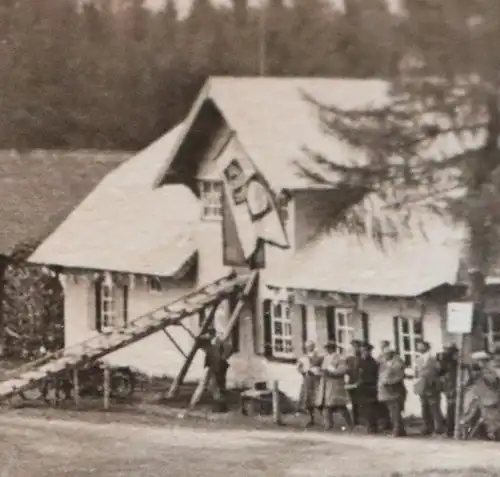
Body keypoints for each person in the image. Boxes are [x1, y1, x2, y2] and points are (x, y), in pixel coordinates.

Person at [315, 341, 353, 431]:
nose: (328, 349)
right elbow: (324, 369)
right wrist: (321, 372)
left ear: (333, 348)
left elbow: (343, 370)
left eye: (330, 348)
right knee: (326, 405)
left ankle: (349, 423)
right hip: (326, 384)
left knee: (340, 405)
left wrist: (332, 373)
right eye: (327, 348)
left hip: (335, 384)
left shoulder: (339, 358)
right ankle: (328, 424)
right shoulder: (326, 358)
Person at [414, 340, 445, 436]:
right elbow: (416, 374)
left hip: (432, 386)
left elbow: (440, 371)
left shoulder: (434, 358)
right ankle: (428, 427)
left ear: (427, 347)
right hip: (422, 386)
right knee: (424, 408)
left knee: (434, 408)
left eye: (421, 346)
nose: (419, 348)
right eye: (418, 346)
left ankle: (438, 428)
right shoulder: (418, 360)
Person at [200, 328, 231, 413]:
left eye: (208, 335)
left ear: (211, 335)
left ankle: (221, 407)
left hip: (219, 367)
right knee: (215, 386)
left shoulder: (218, 342)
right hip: (214, 366)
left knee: (217, 386)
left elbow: (229, 347)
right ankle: (221, 406)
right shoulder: (211, 343)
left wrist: (223, 358)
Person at [378, 347, 407, 437]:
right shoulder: (386, 363)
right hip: (387, 392)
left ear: (391, 354)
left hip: (395, 391)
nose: (384, 356)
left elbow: (399, 377)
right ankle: (399, 430)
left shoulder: (397, 363)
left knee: (395, 412)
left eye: (386, 354)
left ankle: (397, 430)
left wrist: (387, 382)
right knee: (393, 411)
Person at [297, 340, 323, 427]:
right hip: (307, 379)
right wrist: (303, 372)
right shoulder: (303, 358)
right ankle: (311, 418)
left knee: (318, 397)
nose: (309, 348)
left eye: (311, 346)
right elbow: (299, 368)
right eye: (307, 346)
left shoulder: (319, 357)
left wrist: (318, 371)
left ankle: (322, 419)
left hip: (316, 379)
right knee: (307, 398)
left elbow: (323, 367)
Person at [357, 342, 380, 433]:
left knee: (371, 406)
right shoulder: (359, 361)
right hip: (362, 386)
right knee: (364, 406)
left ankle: (372, 426)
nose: (364, 353)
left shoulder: (373, 362)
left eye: (366, 351)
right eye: (363, 351)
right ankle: (367, 424)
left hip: (371, 386)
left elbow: (374, 375)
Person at [438, 343, 459, 437]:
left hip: (452, 388)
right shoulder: (449, 363)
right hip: (451, 388)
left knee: (452, 409)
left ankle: (451, 430)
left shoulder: (453, 363)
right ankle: (451, 430)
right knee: (451, 409)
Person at [375, 341, 393, 431]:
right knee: (382, 403)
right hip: (381, 380)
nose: (383, 347)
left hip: (388, 381)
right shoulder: (379, 356)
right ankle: (384, 423)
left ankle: (390, 422)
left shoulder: (391, 356)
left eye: (384, 346)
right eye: (381, 346)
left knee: (390, 403)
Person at [345, 339, 363, 427]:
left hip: (360, 381)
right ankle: (355, 420)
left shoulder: (362, 358)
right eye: (353, 347)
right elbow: (346, 370)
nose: (355, 349)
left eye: (357, 347)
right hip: (352, 381)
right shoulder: (349, 359)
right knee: (353, 401)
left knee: (361, 401)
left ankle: (361, 419)